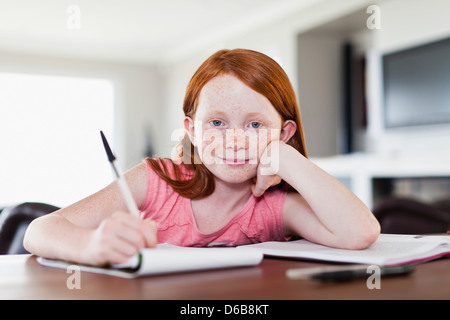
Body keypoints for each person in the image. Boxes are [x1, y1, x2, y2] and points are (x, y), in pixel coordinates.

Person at [24, 49, 380, 266]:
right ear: (191, 131)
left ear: (284, 133)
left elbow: (360, 232)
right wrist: (91, 245)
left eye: (255, 124)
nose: (236, 139)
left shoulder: (274, 206)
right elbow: (40, 231)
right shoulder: (156, 180)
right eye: (217, 123)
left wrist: (286, 159)